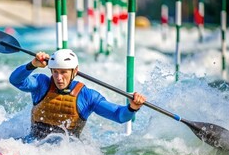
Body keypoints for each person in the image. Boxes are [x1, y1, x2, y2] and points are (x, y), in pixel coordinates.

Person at [9, 49, 146, 140]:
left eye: (63, 72)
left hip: (65, 154)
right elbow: (15, 80)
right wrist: (32, 65)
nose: (59, 77)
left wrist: (132, 107)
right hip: (32, 144)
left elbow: (119, 116)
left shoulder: (87, 96)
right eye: (55, 72)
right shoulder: (41, 84)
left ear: (75, 71)